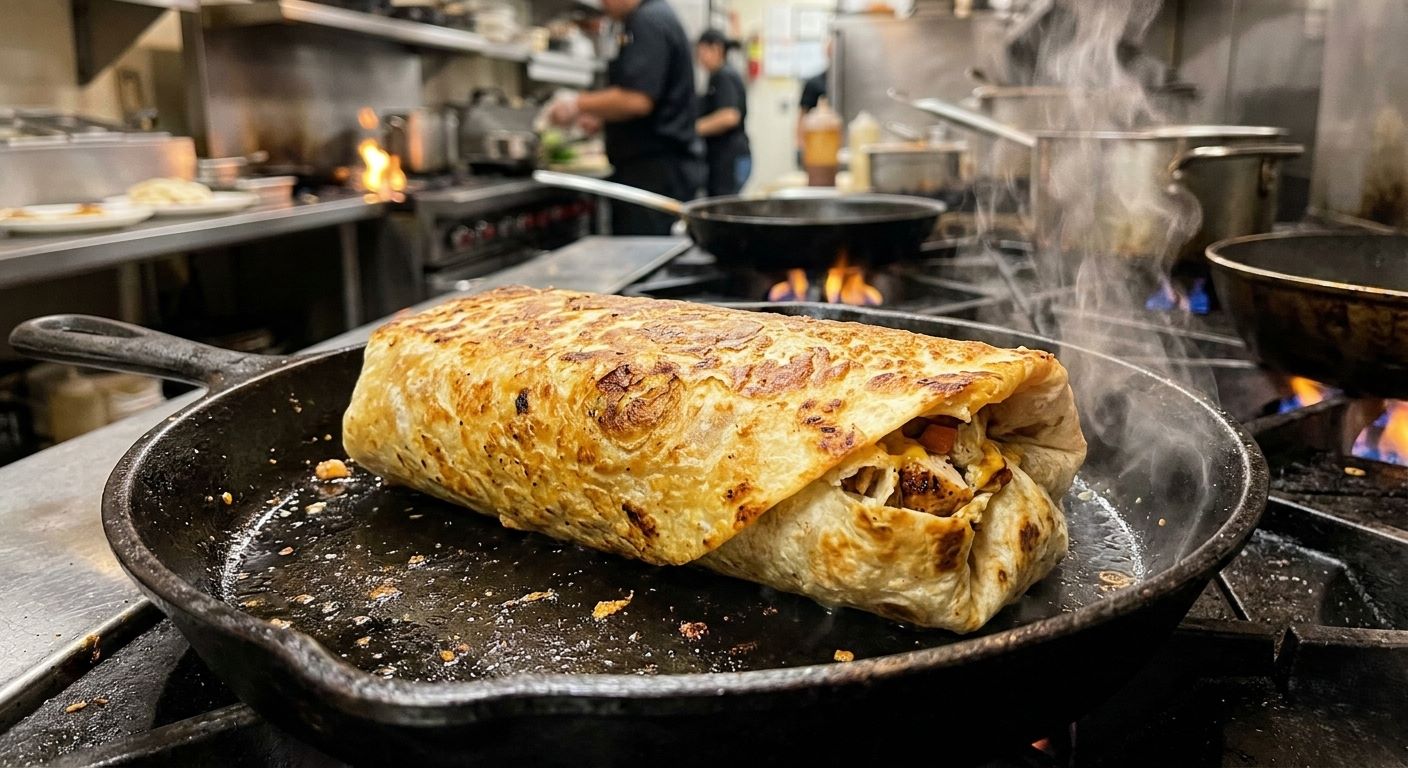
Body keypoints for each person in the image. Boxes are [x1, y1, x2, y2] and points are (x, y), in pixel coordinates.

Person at [547, 0, 699, 235]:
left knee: (645, 254)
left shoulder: (647, 20)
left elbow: (637, 99)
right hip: (662, 169)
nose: (602, 3)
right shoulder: (656, 15)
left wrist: (575, 104)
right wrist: (603, 117)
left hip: (653, 172)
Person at [694, 29, 751, 197]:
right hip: (725, 158)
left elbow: (729, 116)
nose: (700, 58)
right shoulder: (719, 75)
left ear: (717, 49)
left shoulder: (724, 75)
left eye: (702, 51)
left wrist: (691, 130)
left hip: (730, 159)